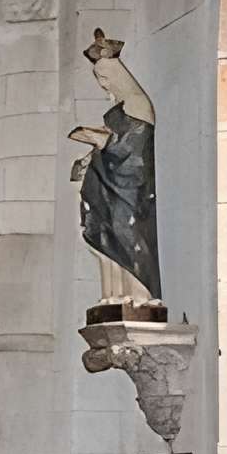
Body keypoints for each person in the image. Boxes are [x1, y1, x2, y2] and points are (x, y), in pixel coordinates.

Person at [69, 29, 162, 309]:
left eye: (106, 80)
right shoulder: (120, 108)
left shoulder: (137, 103)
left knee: (130, 235)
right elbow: (113, 143)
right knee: (106, 234)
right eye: (100, 82)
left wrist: (103, 142)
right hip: (110, 181)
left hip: (131, 186)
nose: (105, 87)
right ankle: (114, 295)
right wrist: (93, 152)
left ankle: (141, 295)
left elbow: (133, 144)